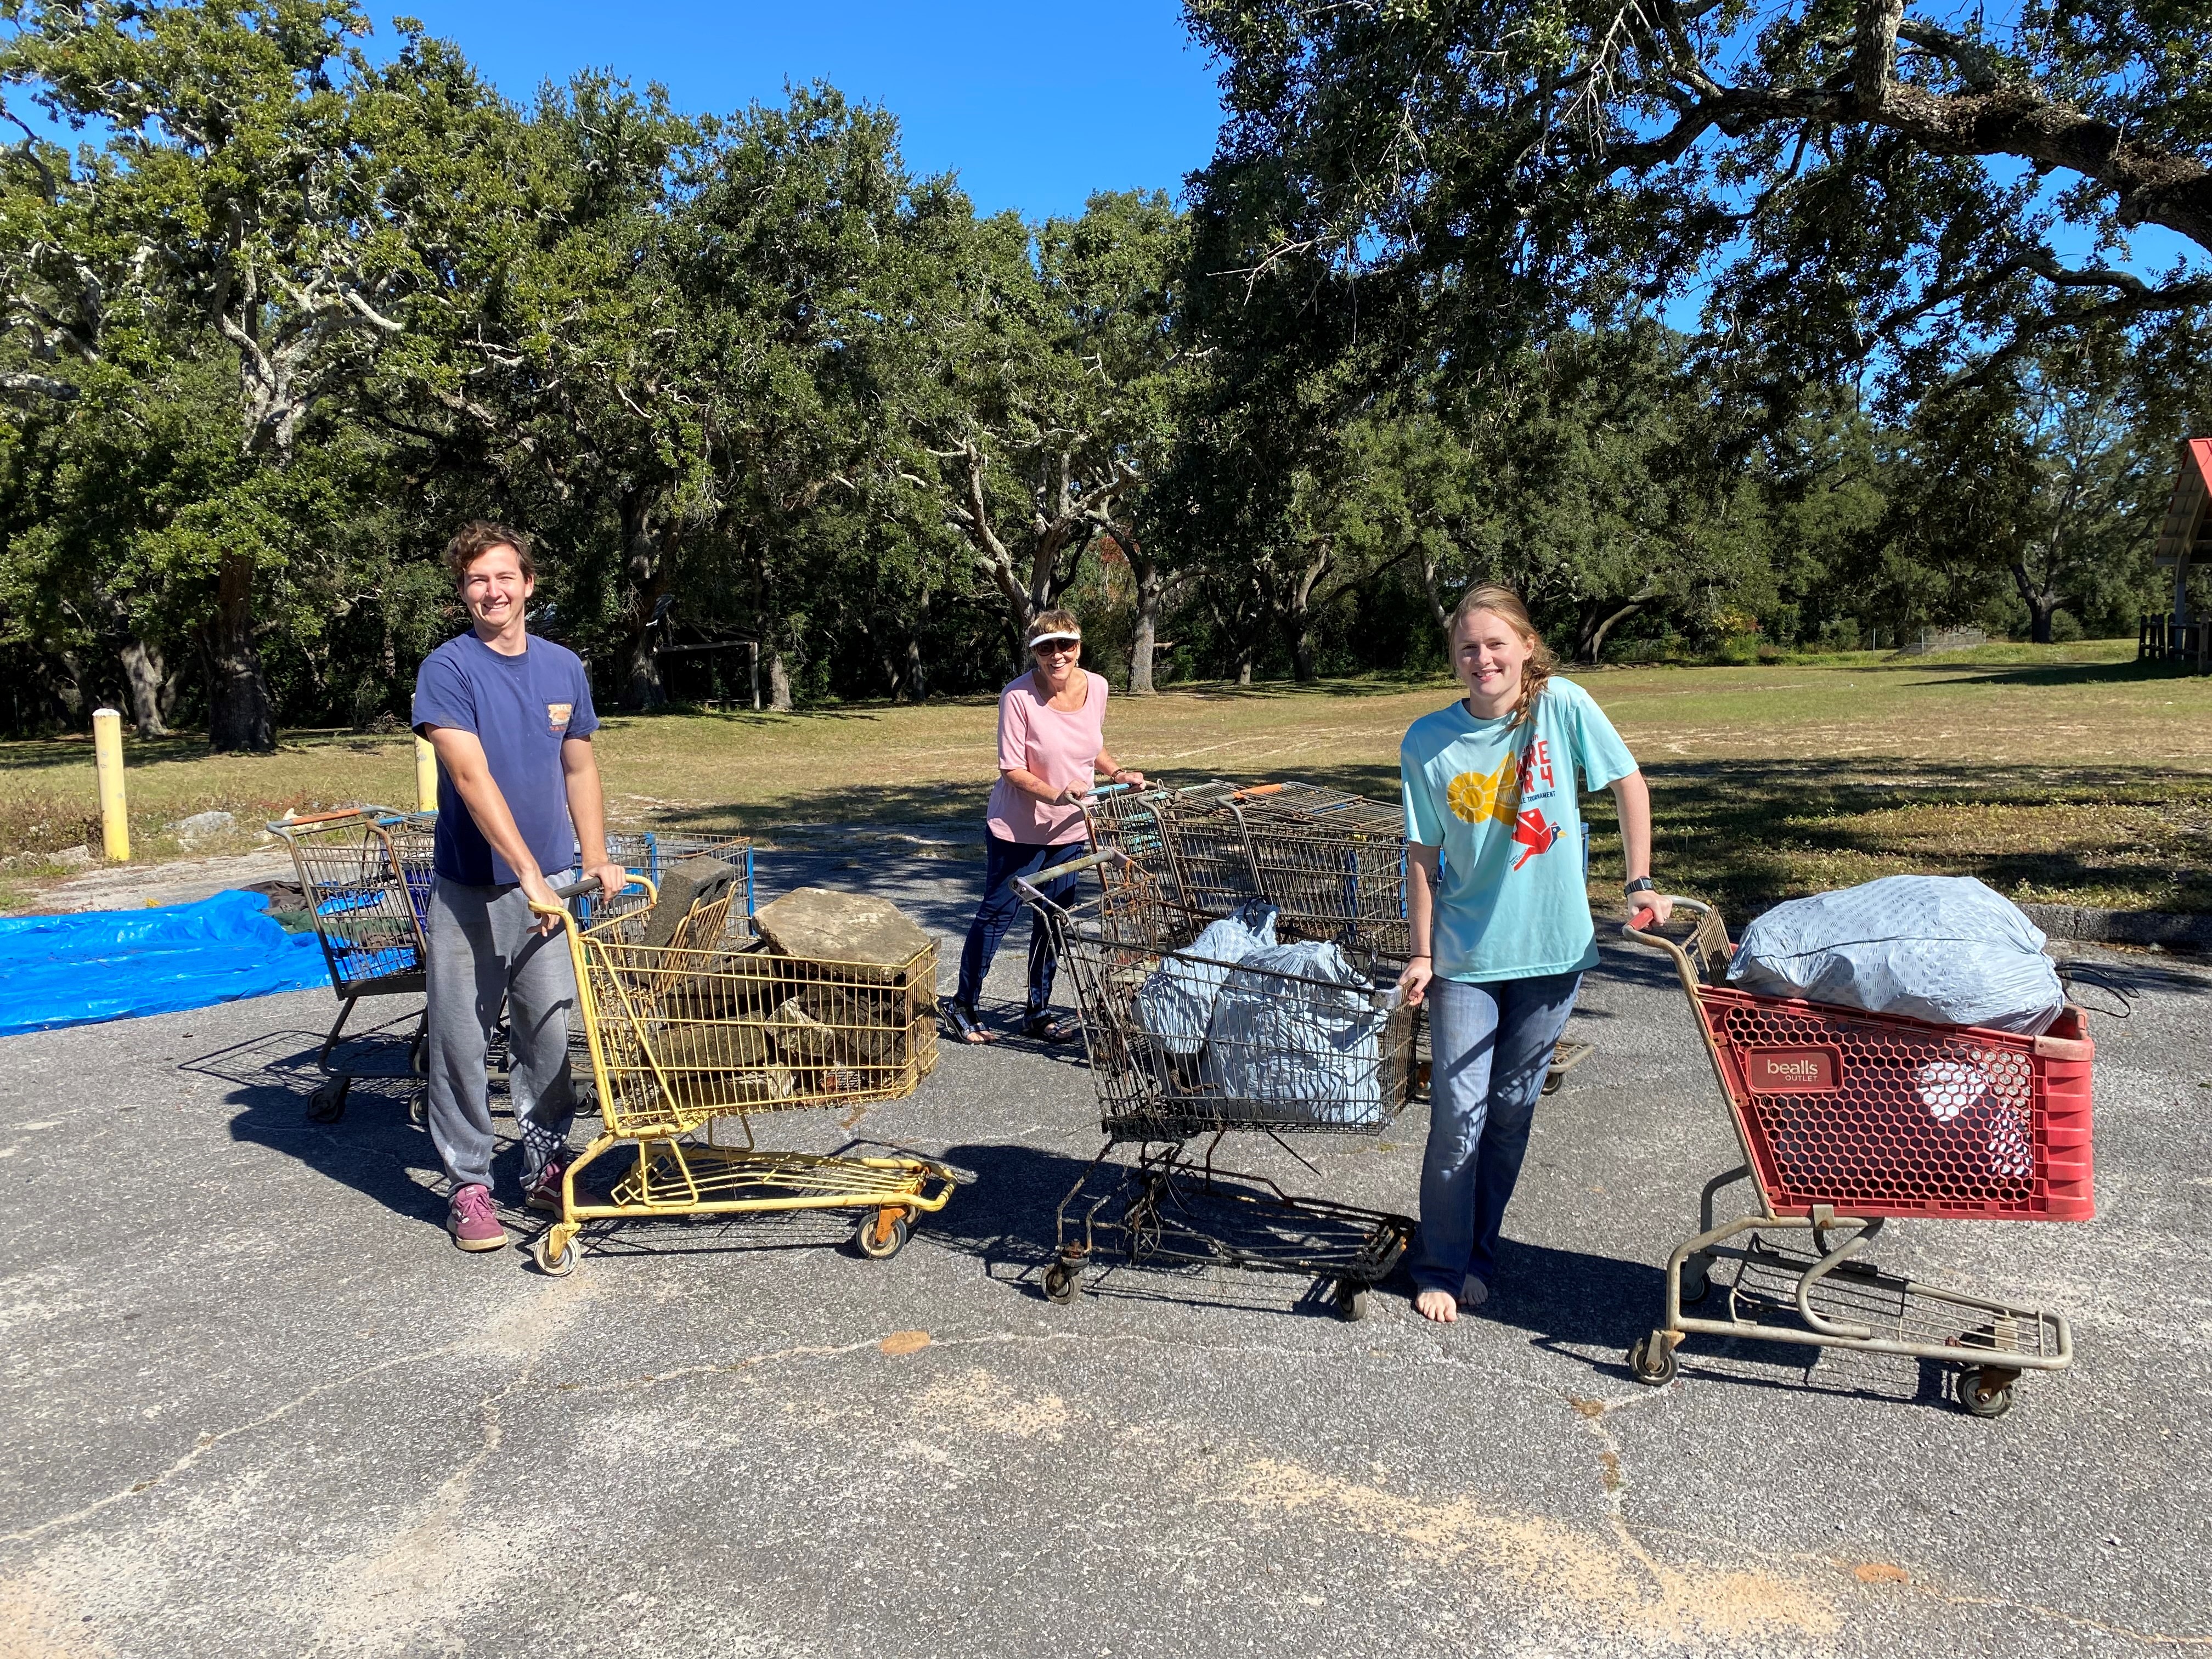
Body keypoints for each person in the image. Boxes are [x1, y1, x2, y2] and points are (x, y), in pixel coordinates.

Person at [1397, 585, 1670, 1323]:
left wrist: (1638, 879)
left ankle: (1479, 1253)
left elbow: (1629, 784)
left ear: (1526, 647)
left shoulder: (1565, 707)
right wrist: (1421, 953)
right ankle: (1441, 1265)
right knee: (1458, 1111)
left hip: (1553, 952)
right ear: (1455, 658)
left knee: (1511, 1110)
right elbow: (1422, 855)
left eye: (1495, 644)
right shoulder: (1427, 740)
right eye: (1467, 647)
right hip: (1466, 956)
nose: (1482, 658)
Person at [411, 521, 625, 1253]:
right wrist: (527, 872)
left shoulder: (564, 667)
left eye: (505, 577)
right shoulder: (448, 670)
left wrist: (595, 859)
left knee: (547, 1038)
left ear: (529, 584)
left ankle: (545, 1167)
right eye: (477, 580)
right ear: (463, 592)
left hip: (554, 891)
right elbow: (471, 778)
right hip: (474, 890)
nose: (492, 591)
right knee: (461, 1044)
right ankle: (470, 1186)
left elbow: (580, 767)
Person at [947, 608, 1146, 1044]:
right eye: (1046, 647)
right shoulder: (1017, 697)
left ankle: (1037, 1011)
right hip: (1018, 830)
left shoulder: (1098, 687)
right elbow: (1011, 769)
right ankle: (963, 1005)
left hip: (1072, 829)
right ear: (1034, 652)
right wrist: (1058, 793)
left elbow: (1092, 746)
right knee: (998, 916)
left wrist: (1117, 773)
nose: (1057, 655)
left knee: (1053, 922)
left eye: (1066, 645)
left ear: (1079, 646)